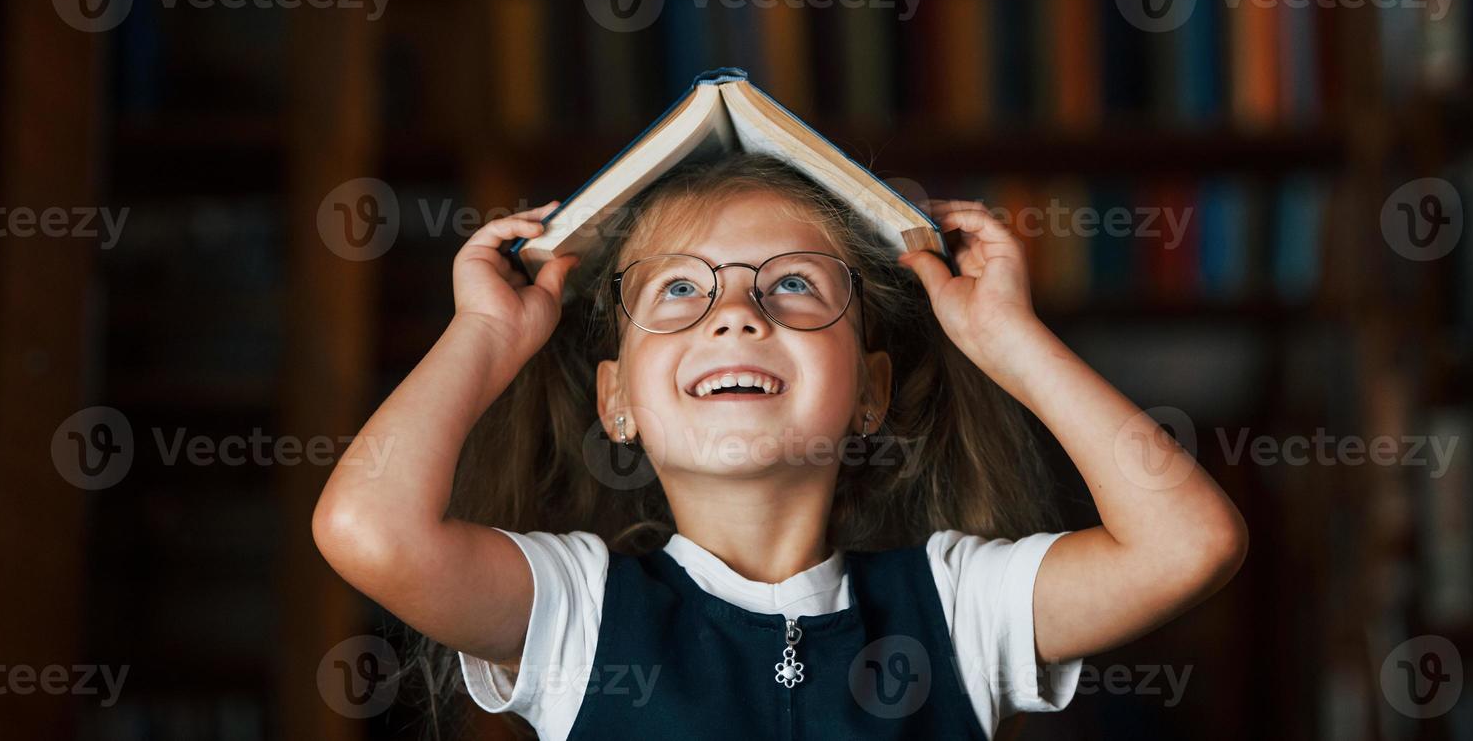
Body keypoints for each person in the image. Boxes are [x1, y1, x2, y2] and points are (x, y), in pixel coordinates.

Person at [314, 150, 1247, 739]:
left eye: (793, 284)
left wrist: (1009, 341)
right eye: (679, 290)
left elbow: (1187, 545)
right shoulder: (578, 615)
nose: (733, 315)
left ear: (870, 393)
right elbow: (370, 529)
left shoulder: (958, 608)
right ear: (617, 403)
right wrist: (482, 336)